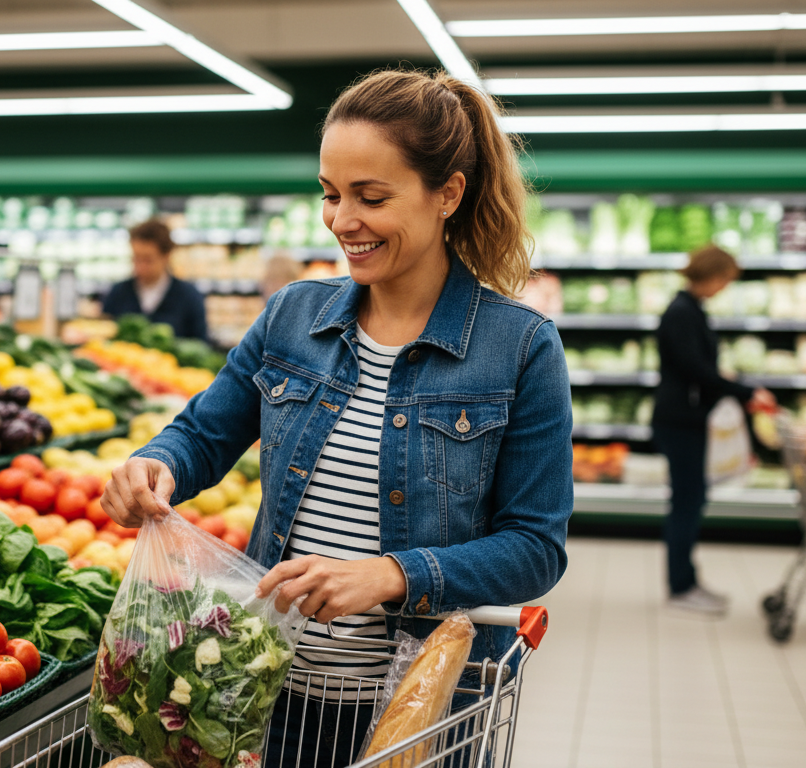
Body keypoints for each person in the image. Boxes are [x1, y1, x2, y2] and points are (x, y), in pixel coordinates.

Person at [101, 68, 572, 768]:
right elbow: (204, 432)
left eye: (370, 196)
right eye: (330, 193)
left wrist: (393, 574)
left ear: (447, 194)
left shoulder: (521, 349)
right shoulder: (294, 317)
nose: (342, 220)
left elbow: (535, 547)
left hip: (415, 712)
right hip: (266, 690)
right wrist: (155, 464)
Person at [653, 244, 775, 616]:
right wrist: (745, 391)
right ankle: (681, 587)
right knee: (687, 503)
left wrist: (732, 384)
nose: (724, 287)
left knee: (692, 500)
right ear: (711, 275)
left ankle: (688, 580)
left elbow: (699, 369)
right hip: (681, 423)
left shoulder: (690, 310)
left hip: (688, 420)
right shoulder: (681, 313)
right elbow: (695, 369)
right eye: (724, 279)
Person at [101, 219, 208, 340]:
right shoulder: (117, 293)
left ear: (166, 256)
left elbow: (201, 342)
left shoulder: (189, 296)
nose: (140, 266)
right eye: (136, 258)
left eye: (148, 260)